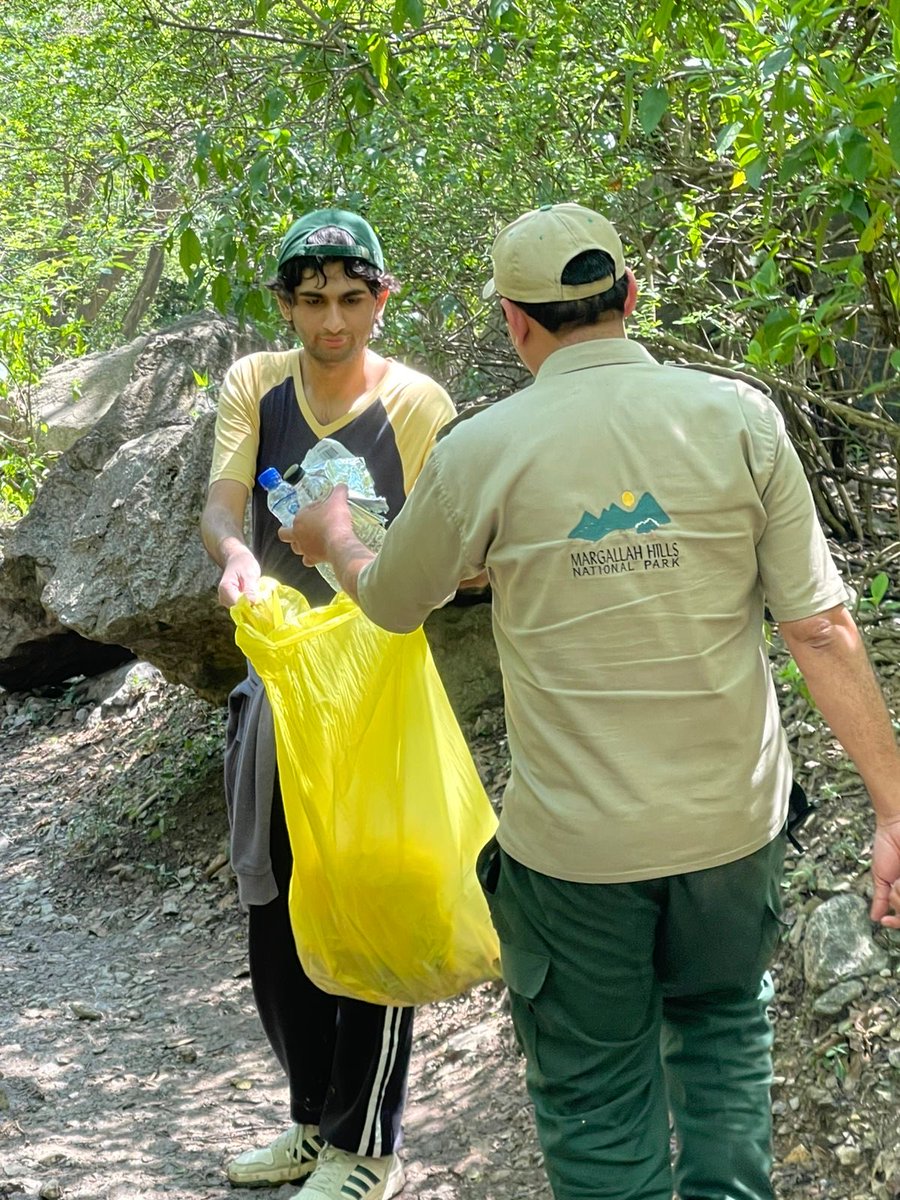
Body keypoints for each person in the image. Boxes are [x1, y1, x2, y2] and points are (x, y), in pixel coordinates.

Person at [279, 202, 900, 1200]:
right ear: (633, 300)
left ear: (514, 322)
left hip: (577, 860)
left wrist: (336, 539)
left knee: (598, 1101)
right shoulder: (741, 418)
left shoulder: (483, 449)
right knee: (725, 1034)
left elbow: (393, 603)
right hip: (734, 833)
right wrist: (893, 808)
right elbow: (821, 628)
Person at [200, 207, 455, 1200]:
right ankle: (310, 1125)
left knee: (371, 913)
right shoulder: (257, 386)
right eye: (313, 302)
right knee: (279, 911)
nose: (333, 324)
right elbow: (227, 500)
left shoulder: (420, 405)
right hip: (274, 685)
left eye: (353, 300)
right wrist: (233, 552)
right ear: (286, 306)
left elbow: (443, 552)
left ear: (383, 299)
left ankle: (367, 1150)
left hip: (374, 689)